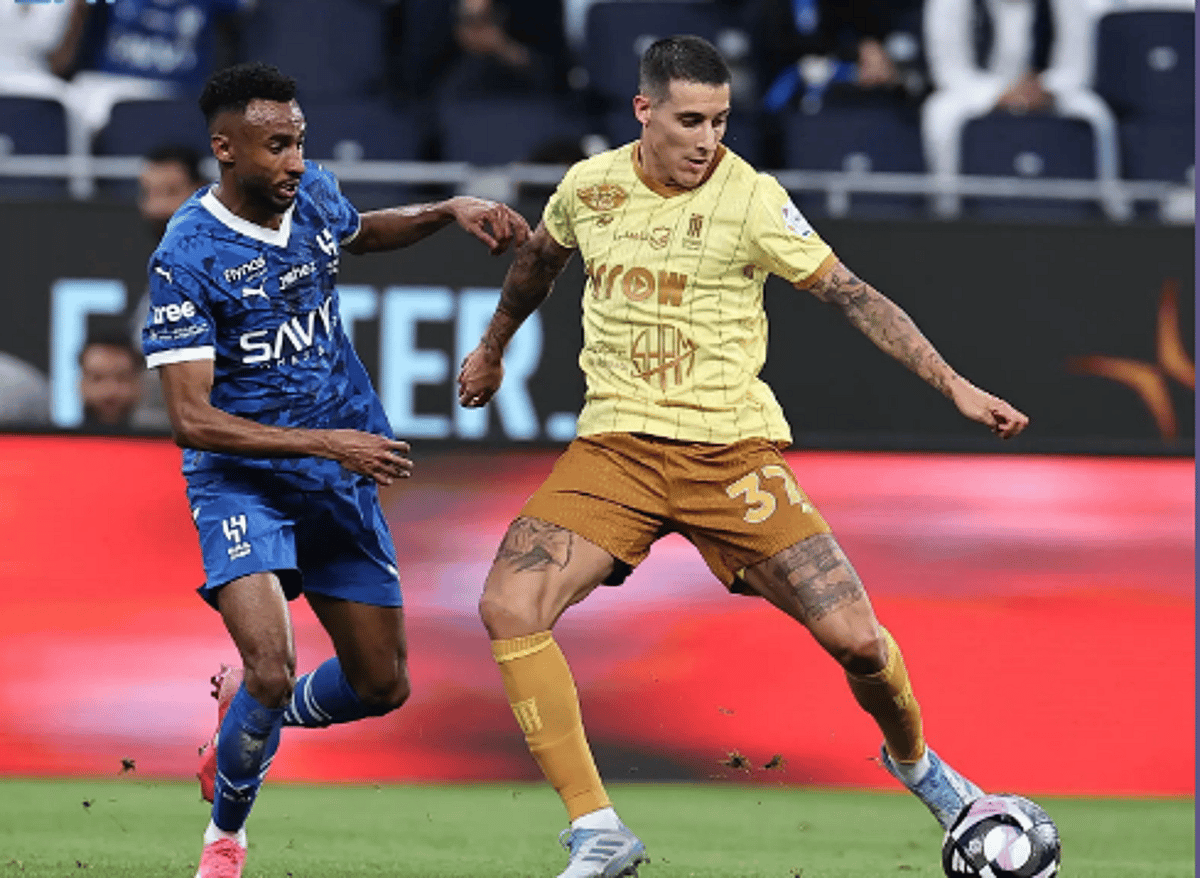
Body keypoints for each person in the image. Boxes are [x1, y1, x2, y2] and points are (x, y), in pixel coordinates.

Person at [457, 35, 1028, 878]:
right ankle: (598, 828)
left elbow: (853, 295)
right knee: (509, 606)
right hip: (615, 449)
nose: (708, 140)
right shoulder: (590, 187)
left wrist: (955, 386)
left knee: (860, 644)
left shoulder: (753, 198)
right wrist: (492, 347)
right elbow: (538, 263)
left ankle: (929, 777)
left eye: (720, 121)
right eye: (690, 121)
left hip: (729, 456)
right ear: (644, 111)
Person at [140, 61, 530, 878]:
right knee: (271, 667)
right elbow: (191, 419)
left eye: (299, 141)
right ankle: (225, 840)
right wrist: (330, 443)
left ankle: (249, 717)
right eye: (277, 146)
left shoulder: (310, 191)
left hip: (337, 476)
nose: (295, 160)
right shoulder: (188, 253)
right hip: (243, 479)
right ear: (226, 148)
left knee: (382, 685)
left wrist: (446, 210)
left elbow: (359, 232)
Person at [921, 0, 1128, 218]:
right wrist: (997, 94)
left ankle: (1110, 206)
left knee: (1096, 112)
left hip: (1043, 88)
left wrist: (1046, 88)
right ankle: (947, 206)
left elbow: (1075, 67)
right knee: (940, 113)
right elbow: (950, 71)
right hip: (975, 90)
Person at [78, 329, 144, 432]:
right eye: (97, 378)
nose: (110, 391)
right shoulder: (58, 441)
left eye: (122, 378)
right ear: (81, 384)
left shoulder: (163, 441)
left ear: (138, 384)